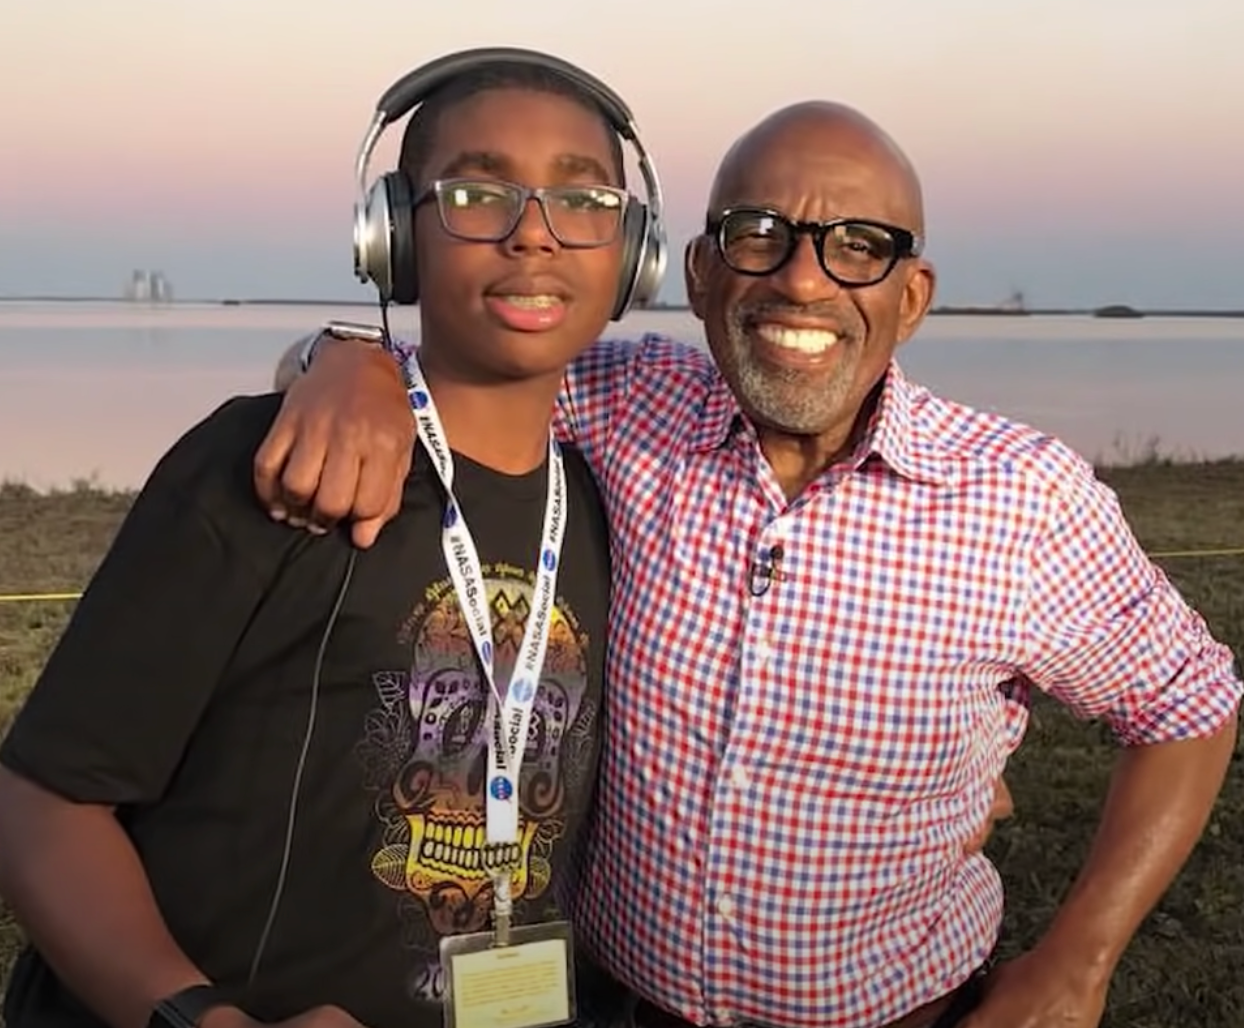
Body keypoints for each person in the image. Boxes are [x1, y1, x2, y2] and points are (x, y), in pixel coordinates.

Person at [251, 100, 1242, 1028]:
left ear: (911, 297)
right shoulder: (627, 400)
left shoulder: (1024, 498)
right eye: (758, 233)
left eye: (859, 245)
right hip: (607, 996)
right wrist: (348, 360)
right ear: (697, 272)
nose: (802, 281)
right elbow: (452, 373)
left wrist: (1077, 960)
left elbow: (1186, 705)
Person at [0, 50, 658, 1028]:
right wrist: (193, 1014)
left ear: (631, 250)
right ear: (393, 235)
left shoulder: (617, 508)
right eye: (477, 192)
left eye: (583, 199)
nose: (534, 234)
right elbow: (45, 799)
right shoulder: (265, 465)